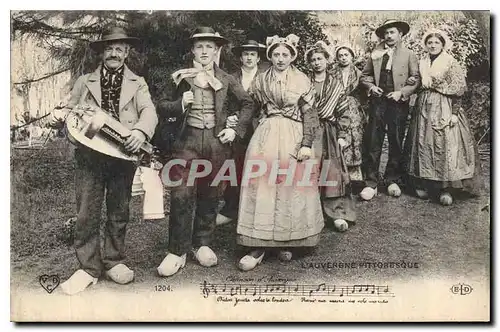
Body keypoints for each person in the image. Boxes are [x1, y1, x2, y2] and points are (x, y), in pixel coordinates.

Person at [49, 26, 158, 295]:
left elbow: (149, 112)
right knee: (86, 211)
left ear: (127, 53)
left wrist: (139, 132)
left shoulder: (138, 82)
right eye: (109, 48)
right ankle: (88, 268)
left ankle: (114, 261)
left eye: (119, 49)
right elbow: (69, 112)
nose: (114, 53)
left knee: (119, 211)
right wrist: (58, 115)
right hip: (89, 155)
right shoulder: (84, 81)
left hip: (122, 155)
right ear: (102, 53)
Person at [155, 27, 255, 277]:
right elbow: (161, 105)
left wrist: (235, 131)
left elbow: (248, 103)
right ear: (192, 50)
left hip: (216, 142)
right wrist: (180, 103)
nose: (204, 51)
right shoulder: (180, 76)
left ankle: (202, 244)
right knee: (181, 195)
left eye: (209, 47)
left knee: (211, 194)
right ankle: (177, 251)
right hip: (186, 142)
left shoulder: (226, 78)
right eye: (199, 46)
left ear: (217, 50)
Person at [236, 34, 324, 271]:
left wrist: (306, 143)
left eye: (285, 54)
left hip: (293, 135)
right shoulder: (262, 79)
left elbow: (310, 114)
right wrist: (236, 128)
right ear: (270, 56)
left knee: (290, 188)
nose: (280, 59)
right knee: (263, 186)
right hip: (266, 134)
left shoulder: (301, 80)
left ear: (292, 56)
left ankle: (289, 241)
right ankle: (259, 244)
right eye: (276, 54)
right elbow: (251, 106)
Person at [405, 29, 477, 205]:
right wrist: (412, 83)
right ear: (426, 45)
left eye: (436, 42)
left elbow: (458, 89)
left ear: (443, 45)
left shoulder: (450, 62)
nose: (433, 45)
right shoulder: (422, 62)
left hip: (444, 105)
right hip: (424, 106)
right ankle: (424, 184)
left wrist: (454, 113)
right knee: (422, 143)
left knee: (444, 145)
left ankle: (445, 188)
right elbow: (419, 83)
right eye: (430, 42)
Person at [359, 19, 420, 200]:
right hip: (378, 102)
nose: (388, 36)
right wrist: (371, 87)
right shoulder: (376, 53)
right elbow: (365, 75)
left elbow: (416, 79)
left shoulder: (409, 54)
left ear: (400, 34)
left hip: (398, 103)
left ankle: (392, 180)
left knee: (395, 140)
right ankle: (371, 183)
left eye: (392, 32)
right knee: (374, 140)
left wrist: (401, 92)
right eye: (386, 33)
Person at [216, 39, 269, 226]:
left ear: (258, 57)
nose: (249, 57)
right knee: (235, 167)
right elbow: (223, 103)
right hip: (237, 130)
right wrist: (229, 117)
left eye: (252, 54)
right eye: (245, 54)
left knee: (257, 167)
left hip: (257, 127)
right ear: (240, 57)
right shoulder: (231, 77)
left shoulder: (265, 77)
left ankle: (255, 209)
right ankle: (231, 209)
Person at [305, 41, 356, 232]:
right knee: (308, 169)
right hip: (308, 131)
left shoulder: (335, 84)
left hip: (329, 132)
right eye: (313, 60)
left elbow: (344, 112)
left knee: (332, 171)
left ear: (327, 60)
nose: (317, 62)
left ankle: (336, 213)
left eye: (320, 59)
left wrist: (342, 134)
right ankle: (310, 211)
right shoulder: (304, 81)